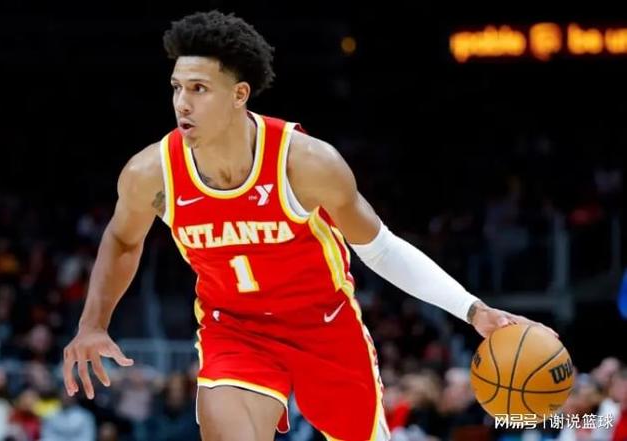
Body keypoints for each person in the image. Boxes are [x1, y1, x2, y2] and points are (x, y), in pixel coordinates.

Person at [61, 10, 557, 441]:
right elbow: (122, 239)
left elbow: (381, 248)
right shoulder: (151, 173)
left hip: (326, 328)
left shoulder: (306, 163)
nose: (182, 103)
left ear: (239, 94)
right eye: (176, 88)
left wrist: (472, 310)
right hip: (234, 330)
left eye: (198, 89)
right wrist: (92, 323)